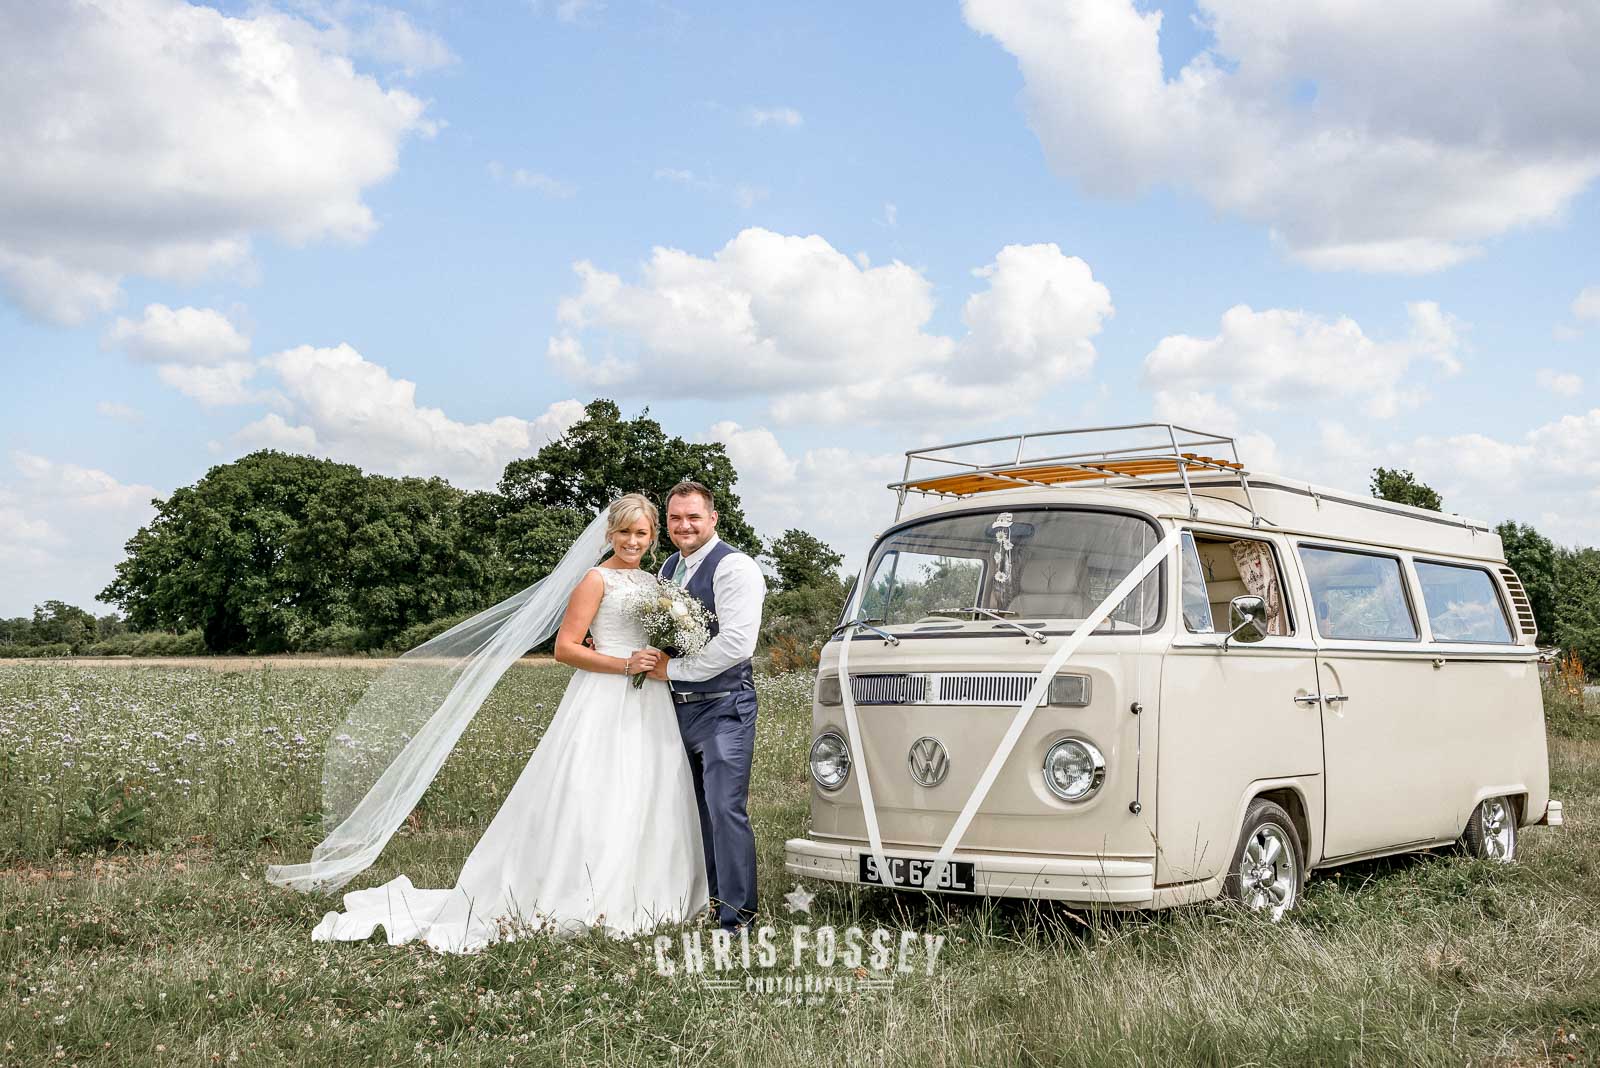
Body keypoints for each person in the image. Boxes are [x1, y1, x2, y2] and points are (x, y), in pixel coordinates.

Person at [293, 494, 709, 952]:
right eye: (625, 532)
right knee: (595, 787)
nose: (633, 540)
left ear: (653, 538)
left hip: (650, 697)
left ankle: (649, 892)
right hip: (605, 696)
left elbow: (659, 637)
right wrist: (622, 665)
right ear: (609, 534)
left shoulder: (655, 581)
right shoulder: (595, 580)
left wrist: (662, 654)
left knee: (649, 787)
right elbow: (566, 648)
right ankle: (586, 891)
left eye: (642, 533)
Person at [646, 481, 767, 930]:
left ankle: (738, 918)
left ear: (713, 518)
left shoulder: (734, 567)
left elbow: (737, 641)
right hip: (676, 709)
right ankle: (707, 900)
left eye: (693, 516)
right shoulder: (670, 565)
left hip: (724, 708)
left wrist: (672, 671)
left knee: (723, 808)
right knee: (691, 809)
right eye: (675, 518)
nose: (684, 525)